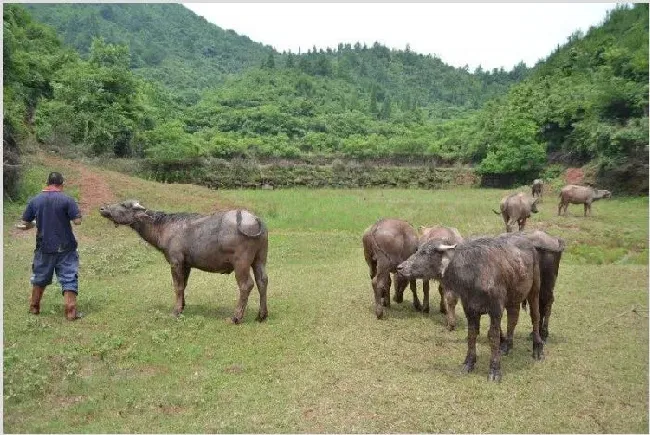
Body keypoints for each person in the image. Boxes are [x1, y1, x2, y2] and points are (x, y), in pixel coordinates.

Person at [16, 171, 83, 320]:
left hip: (43, 246)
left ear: (47, 183)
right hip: (66, 246)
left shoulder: (35, 200)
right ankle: (71, 312)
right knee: (68, 277)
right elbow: (77, 221)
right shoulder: (67, 199)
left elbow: (25, 223)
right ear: (62, 184)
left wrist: (34, 223)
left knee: (40, 276)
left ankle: (34, 308)